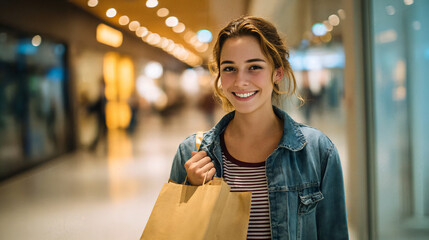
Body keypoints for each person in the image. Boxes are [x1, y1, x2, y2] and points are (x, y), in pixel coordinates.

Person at [169, 16, 348, 240]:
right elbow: (173, 231)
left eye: (254, 67)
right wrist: (193, 191)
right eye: (229, 68)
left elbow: (334, 233)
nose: (240, 81)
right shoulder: (192, 153)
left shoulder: (317, 151)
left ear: (277, 73)